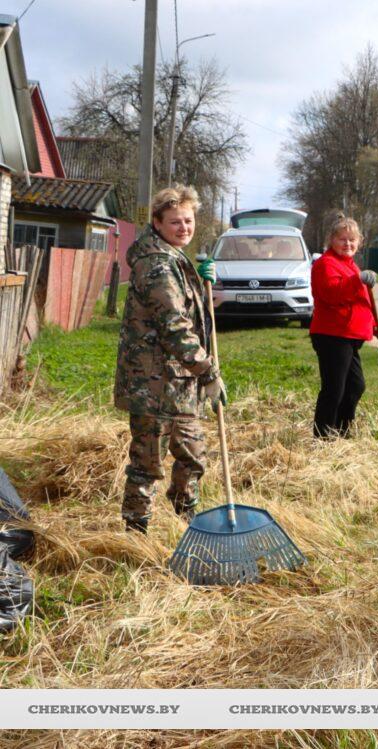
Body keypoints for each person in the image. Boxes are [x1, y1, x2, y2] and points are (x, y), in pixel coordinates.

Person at [114, 185, 225, 534]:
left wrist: (201, 285)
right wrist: (207, 372)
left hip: (179, 382)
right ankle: (136, 533)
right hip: (154, 384)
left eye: (189, 221)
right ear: (158, 223)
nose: (184, 228)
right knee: (148, 465)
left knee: (193, 457)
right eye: (175, 222)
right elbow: (174, 325)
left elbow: (188, 315)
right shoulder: (157, 264)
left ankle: (186, 522)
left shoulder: (174, 258)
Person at [308, 215, 378, 438]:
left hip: (348, 337)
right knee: (334, 390)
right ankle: (323, 438)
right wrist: (357, 280)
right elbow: (332, 293)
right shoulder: (325, 264)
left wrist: (376, 328)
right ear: (332, 240)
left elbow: (361, 304)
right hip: (332, 335)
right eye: (342, 239)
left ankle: (341, 431)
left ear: (359, 242)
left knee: (355, 387)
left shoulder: (350, 266)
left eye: (352, 240)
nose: (347, 244)